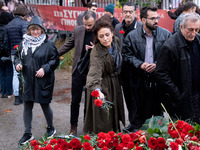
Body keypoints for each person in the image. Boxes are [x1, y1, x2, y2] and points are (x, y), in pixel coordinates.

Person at [122, 6, 171, 131]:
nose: (156, 21)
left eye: (157, 18)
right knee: (139, 113)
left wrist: (157, 64)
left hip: (158, 80)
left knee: (159, 113)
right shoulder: (131, 36)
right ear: (143, 20)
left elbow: (170, 56)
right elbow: (126, 55)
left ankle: (159, 138)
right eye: (153, 18)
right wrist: (140, 64)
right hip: (138, 79)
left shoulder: (165, 34)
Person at [15, 16, 59, 145]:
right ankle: (27, 133)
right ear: (29, 30)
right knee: (27, 105)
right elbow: (17, 57)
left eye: (37, 30)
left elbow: (55, 60)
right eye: (33, 29)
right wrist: (18, 64)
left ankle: (51, 128)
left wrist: (45, 68)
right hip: (27, 80)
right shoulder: (24, 43)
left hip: (43, 81)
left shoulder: (48, 44)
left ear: (42, 30)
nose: (35, 32)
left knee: (45, 104)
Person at [156, 13, 200, 123]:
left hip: (197, 96)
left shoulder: (198, 40)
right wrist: (177, 94)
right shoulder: (169, 46)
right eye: (190, 29)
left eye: (196, 29)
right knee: (184, 133)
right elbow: (161, 74)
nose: (193, 33)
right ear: (181, 27)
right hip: (181, 100)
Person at [83, 18, 125, 134]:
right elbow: (94, 72)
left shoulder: (116, 42)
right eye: (101, 36)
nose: (105, 39)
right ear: (97, 37)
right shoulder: (96, 51)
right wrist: (97, 91)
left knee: (114, 116)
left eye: (107, 35)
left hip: (115, 83)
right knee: (104, 120)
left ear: (112, 32)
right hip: (103, 86)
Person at [58, 11, 96, 136]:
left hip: (92, 71)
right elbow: (67, 45)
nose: (87, 27)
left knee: (89, 101)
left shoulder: (99, 31)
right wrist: (54, 54)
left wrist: (95, 48)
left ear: (95, 21)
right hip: (78, 70)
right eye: (85, 24)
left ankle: (87, 125)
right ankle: (73, 126)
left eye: (90, 25)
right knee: (75, 100)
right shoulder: (78, 30)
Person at [115, 2, 142, 132]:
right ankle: (133, 123)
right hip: (123, 69)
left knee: (139, 98)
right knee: (129, 97)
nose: (128, 14)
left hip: (138, 68)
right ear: (122, 13)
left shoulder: (141, 27)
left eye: (130, 11)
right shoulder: (118, 27)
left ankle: (139, 124)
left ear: (135, 13)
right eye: (125, 11)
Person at [4, 4, 28, 105]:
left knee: (15, 74)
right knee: (27, 73)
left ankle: (17, 97)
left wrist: (10, 53)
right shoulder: (24, 24)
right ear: (24, 13)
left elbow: (5, 42)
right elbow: (26, 39)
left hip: (13, 53)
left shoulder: (8, 25)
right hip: (25, 52)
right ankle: (27, 95)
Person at [0, 3, 13, 98]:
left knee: (2, 72)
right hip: (6, 54)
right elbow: (6, 43)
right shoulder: (8, 29)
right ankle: (8, 92)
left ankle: (2, 91)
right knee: (8, 72)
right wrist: (9, 53)